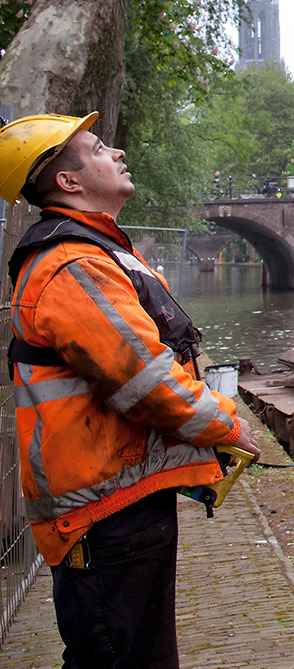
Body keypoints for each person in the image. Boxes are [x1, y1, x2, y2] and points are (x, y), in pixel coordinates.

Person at [0, 112, 259, 667]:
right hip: (103, 513)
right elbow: (145, 382)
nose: (116, 153)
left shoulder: (94, 250)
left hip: (122, 499)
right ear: (69, 182)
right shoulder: (73, 265)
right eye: (98, 149)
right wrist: (227, 424)